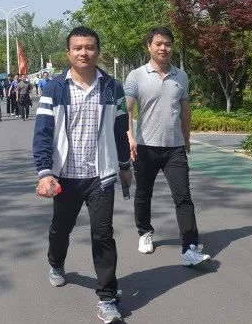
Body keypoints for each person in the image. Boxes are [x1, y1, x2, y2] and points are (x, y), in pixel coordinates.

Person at [33, 26, 131, 324]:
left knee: (103, 234)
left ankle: (108, 297)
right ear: (68, 52)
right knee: (61, 229)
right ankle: (56, 262)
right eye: (77, 48)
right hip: (65, 177)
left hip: (100, 177)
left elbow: (120, 130)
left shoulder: (112, 87)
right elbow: (43, 132)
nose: (83, 53)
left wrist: (125, 166)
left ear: (97, 51)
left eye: (89, 47)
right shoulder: (55, 88)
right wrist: (45, 172)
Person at [124, 26, 210, 266]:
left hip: (174, 148)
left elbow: (185, 110)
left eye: (168, 44)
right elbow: (126, 110)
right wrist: (130, 138)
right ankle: (145, 232)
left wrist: (187, 138)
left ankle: (189, 247)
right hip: (145, 147)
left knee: (183, 197)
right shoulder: (136, 76)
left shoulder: (181, 76)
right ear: (149, 46)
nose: (163, 48)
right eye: (158, 44)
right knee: (143, 194)